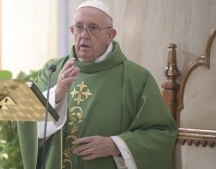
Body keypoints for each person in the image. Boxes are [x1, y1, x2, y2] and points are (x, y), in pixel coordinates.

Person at [17, 0, 178, 169]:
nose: (84, 35)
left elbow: (162, 134)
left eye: (93, 28)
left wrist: (115, 145)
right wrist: (57, 94)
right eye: (79, 27)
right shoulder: (52, 71)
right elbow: (27, 122)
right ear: (72, 30)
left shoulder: (136, 78)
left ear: (110, 35)